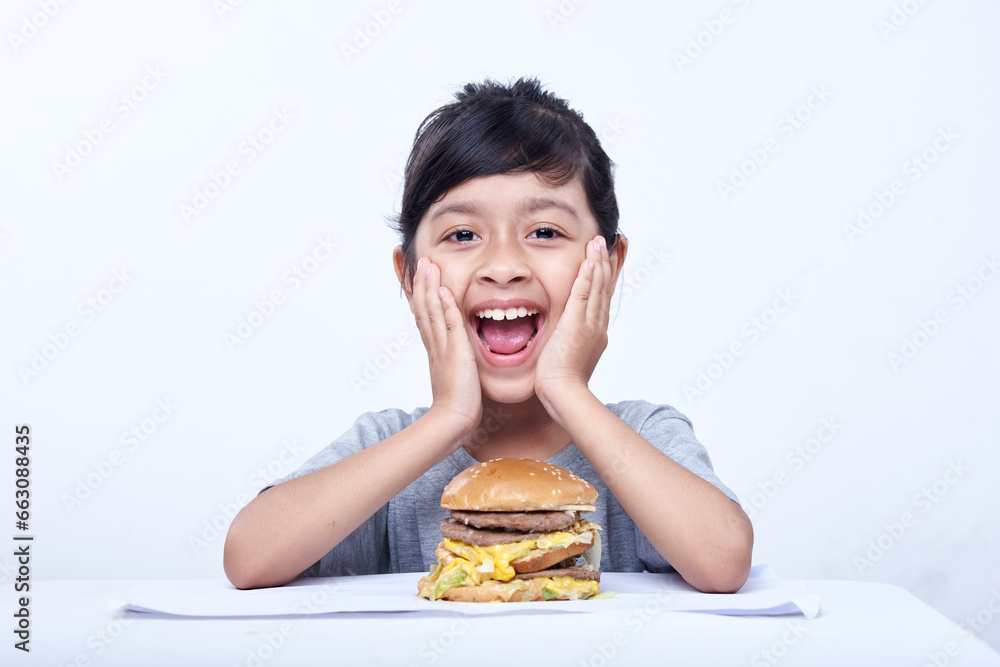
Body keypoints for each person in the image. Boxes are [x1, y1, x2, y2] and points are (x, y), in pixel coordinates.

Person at [223, 77, 753, 593]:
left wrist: (567, 388)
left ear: (608, 265)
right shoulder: (389, 446)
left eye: (545, 232)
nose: (503, 266)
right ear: (409, 277)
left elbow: (723, 562)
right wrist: (448, 418)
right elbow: (249, 558)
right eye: (463, 234)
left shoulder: (643, 432)